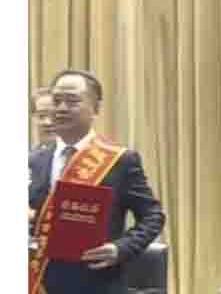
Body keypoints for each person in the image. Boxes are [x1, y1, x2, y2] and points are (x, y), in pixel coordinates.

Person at [28, 69, 165, 294]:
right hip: (39, 281)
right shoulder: (34, 160)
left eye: (72, 101)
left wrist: (120, 248)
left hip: (96, 282)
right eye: (56, 100)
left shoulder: (119, 160)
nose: (61, 108)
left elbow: (152, 216)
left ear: (96, 108)